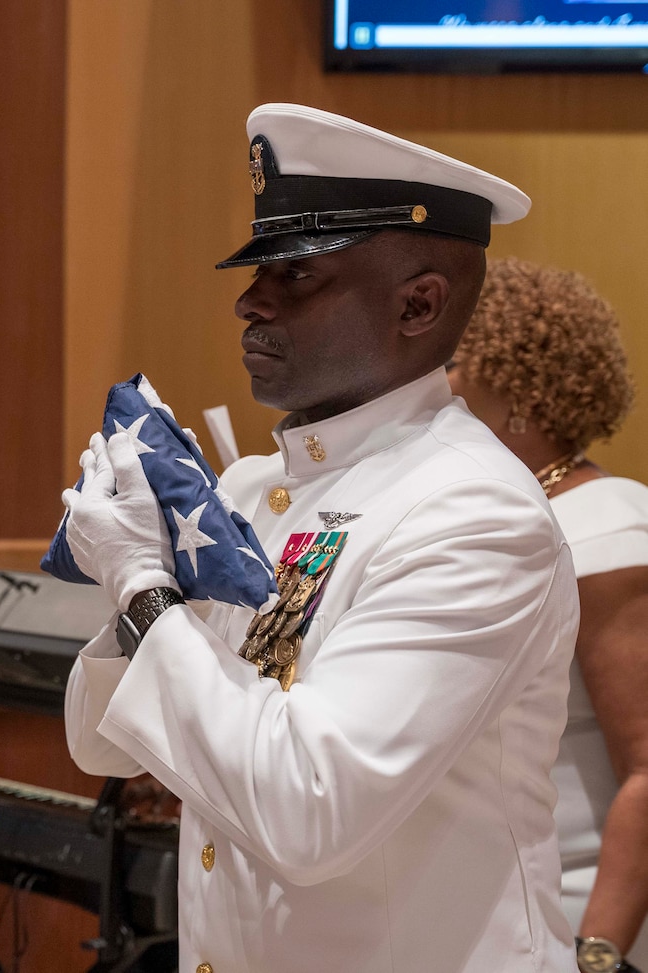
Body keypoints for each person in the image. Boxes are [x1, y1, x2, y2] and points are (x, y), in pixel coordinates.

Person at [62, 103, 580, 973]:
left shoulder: (475, 515)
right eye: (256, 269)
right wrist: (132, 578)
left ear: (420, 303)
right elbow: (100, 740)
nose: (247, 300)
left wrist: (144, 585)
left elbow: (309, 809)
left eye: (295, 276)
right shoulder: (253, 489)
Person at [451, 257, 648, 973]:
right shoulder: (517, 514)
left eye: (453, 365)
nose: (435, 388)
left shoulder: (605, 530)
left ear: (519, 390)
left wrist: (598, 956)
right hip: (504, 920)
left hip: (584, 923)